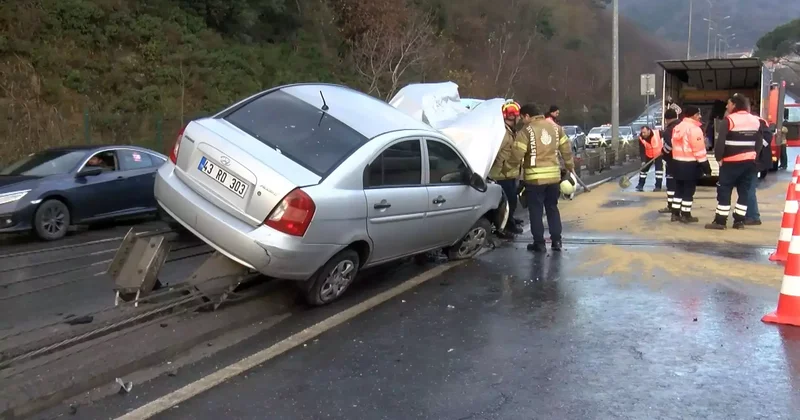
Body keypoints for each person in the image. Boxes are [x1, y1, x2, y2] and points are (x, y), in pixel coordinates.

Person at [517, 104, 575, 252]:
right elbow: (566, 149)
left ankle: (539, 243)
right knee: (552, 208)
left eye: (522, 118)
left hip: (534, 180)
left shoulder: (527, 130)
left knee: (535, 211)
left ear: (527, 116)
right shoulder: (556, 128)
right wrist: (569, 165)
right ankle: (557, 241)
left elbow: (517, 154)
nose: (522, 121)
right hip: (554, 178)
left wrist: (508, 170)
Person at [705, 94, 763, 230]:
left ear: (735, 105)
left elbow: (720, 142)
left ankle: (720, 221)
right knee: (744, 191)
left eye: (729, 104)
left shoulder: (729, 120)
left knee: (724, 190)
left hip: (730, 163)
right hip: (749, 163)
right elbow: (759, 142)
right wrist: (754, 156)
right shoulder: (755, 120)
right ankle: (739, 221)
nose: (727, 106)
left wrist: (718, 158)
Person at [489, 100, 526, 237]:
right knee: (507, 202)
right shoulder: (504, 134)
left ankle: (509, 221)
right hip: (501, 174)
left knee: (512, 200)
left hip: (509, 173)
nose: (519, 119)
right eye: (517, 116)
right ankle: (504, 228)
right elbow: (495, 152)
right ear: (512, 117)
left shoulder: (510, 131)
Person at [670, 106, 709, 223]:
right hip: (689, 165)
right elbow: (699, 150)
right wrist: (706, 167)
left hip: (677, 163)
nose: (700, 116)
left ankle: (675, 213)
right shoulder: (694, 129)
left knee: (678, 189)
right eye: (698, 114)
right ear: (693, 115)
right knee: (688, 191)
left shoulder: (677, 128)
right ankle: (686, 214)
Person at [744, 115, 774, 226]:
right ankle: (750, 215)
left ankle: (753, 216)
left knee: (749, 189)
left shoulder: (758, 123)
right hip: (752, 162)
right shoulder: (754, 123)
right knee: (747, 189)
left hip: (755, 163)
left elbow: (767, 138)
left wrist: (755, 150)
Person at [658, 109, 681, 214]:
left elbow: (670, 145)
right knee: (680, 184)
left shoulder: (669, 130)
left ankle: (671, 206)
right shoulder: (682, 126)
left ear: (667, 119)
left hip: (672, 161)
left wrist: (663, 151)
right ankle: (680, 206)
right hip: (683, 160)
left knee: (671, 184)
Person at [635, 125, 663, 192]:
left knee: (659, 171)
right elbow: (642, 150)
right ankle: (640, 185)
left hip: (658, 154)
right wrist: (643, 161)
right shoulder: (641, 138)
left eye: (644, 132)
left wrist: (664, 149)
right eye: (642, 132)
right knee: (644, 170)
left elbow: (667, 139)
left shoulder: (658, 133)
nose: (643, 134)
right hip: (648, 155)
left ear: (649, 130)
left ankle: (658, 186)